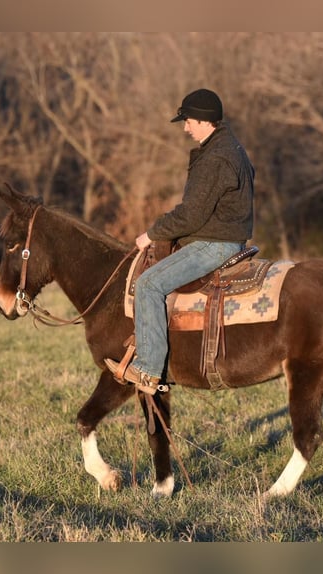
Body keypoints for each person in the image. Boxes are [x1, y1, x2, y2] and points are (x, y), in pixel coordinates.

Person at [105, 88, 255, 394]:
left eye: (187, 121)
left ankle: (148, 370)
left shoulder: (216, 157)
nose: (185, 127)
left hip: (214, 243)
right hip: (225, 238)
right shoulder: (232, 148)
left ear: (203, 121)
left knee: (148, 284)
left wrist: (152, 233)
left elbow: (191, 216)